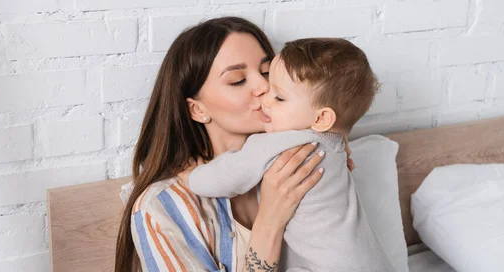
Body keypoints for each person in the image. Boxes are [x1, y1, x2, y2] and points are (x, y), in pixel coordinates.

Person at [114, 17, 355, 272]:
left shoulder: (306, 161)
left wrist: (335, 137)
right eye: (237, 80)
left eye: (267, 72)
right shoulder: (163, 207)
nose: (264, 87)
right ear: (197, 110)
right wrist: (270, 223)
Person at [187, 38, 394, 272]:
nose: (264, 96)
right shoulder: (336, 144)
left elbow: (224, 176)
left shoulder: (275, 145)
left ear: (322, 119)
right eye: (238, 80)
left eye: (279, 97)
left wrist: (193, 175)